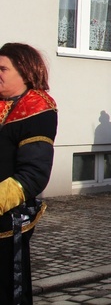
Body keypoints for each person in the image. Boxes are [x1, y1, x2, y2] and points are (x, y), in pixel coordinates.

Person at [0, 43, 56, 303]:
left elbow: (34, 174)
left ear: (25, 71)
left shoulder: (36, 108)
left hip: (7, 217)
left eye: (3, 68)